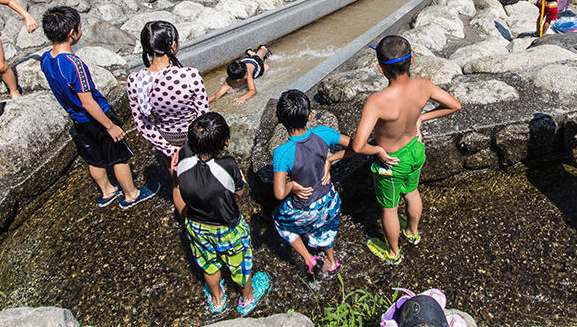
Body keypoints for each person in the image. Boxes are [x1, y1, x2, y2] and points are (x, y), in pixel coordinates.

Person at [353, 35, 461, 264]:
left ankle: (393, 253)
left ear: (381, 69)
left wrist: (378, 152)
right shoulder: (423, 85)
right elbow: (454, 105)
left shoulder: (377, 101)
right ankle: (412, 233)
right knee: (412, 193)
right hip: (416, 150)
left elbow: (358, 145)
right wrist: (422, 118)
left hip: (391, 162)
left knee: (390, 209)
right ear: (412, 59)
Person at [40, 6, 160, 209]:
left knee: (93, 158)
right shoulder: (74, 64)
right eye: (79, 26)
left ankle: (107, 191)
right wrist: (109, 126)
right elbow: (88, 101)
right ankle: (131, 194)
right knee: (118, 156)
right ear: (72, 34)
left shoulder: (46, 59)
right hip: (97, 117)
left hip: (78, 120)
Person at [172, 112, 271, 315]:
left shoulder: (182, 155)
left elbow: (177, 179)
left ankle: (217, 300)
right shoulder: (227, 166)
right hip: (227, 227)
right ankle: (247, 298)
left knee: (208, 265)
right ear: (226, 142)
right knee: (240, 264)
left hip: (196, 225)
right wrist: (240, 180)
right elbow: (239, 192)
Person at [272, 89, 351, 278]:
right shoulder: (323, 133)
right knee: (325, 227)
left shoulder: (282, 152)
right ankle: (331, 261)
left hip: (306, 208)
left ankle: (309, 258)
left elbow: (279, 194)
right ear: (309, 116)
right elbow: (357, 146)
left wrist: (293, 186)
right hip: (330, 201)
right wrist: (331, 160)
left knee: (279, 221)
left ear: (279, 120)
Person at [128, 21, 209, 158]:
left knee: (175, 174)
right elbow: (203, 115)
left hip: (166, 138)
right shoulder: (189, 75)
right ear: (173, 45)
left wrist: (170, 150)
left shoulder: (135, 80)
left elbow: (142, 123)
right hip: (194, 138)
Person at [208, 45, 272, 106]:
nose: (247, 74)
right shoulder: (228, 84)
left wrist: (242, 98)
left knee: (262, 62)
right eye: (246, 75)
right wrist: (204, 102)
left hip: (255, 64)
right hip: (242, 63)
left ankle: (262, 48)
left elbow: (253, 90)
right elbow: (216, 96)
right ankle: (250, 52)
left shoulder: (248, 72)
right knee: (257, 59)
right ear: (238, 80)